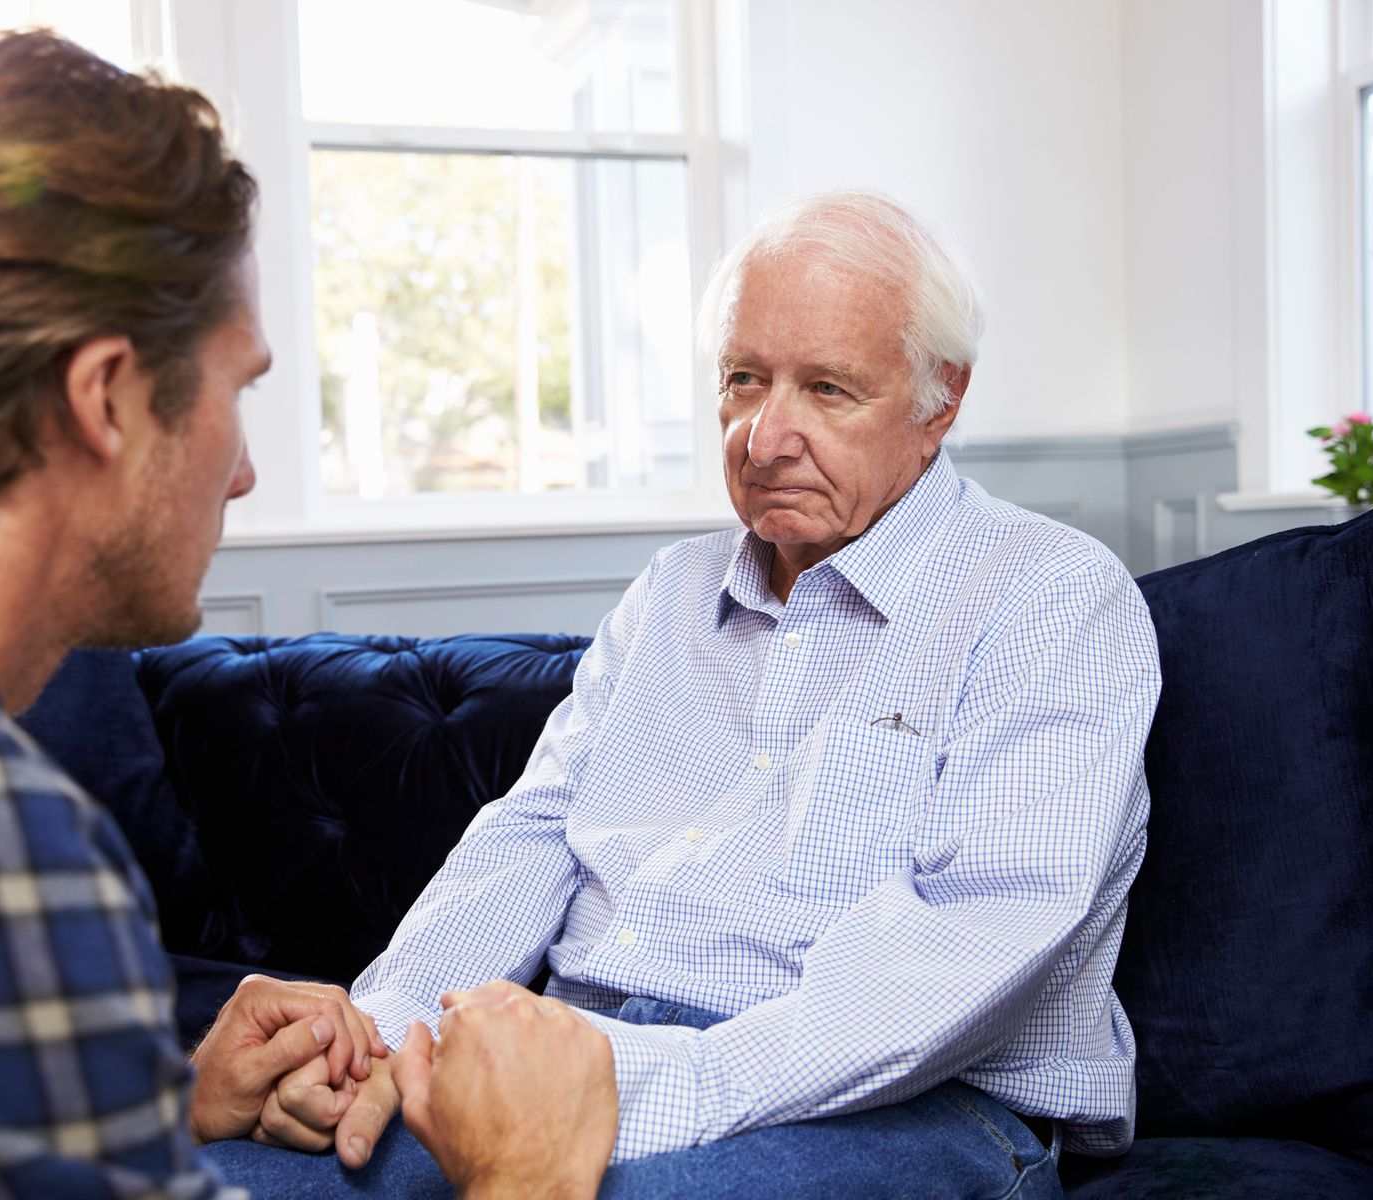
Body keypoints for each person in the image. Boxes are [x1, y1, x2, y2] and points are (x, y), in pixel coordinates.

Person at [0, 30, 614, 1198]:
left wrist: (156, 1102)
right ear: (105, 397)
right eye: (233, 389)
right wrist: (527, 1177)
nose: (242, 472)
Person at [212, 190, 1163, 1198]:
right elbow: (528, 839)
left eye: (828, 390)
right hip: (586, 1054)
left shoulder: (1052, 597)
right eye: (743, 381)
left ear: (941, 400)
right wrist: (380, 1042)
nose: (763, 437)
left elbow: (966, 951)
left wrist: (611, 1093)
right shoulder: (669, 592)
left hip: (913, 1103)